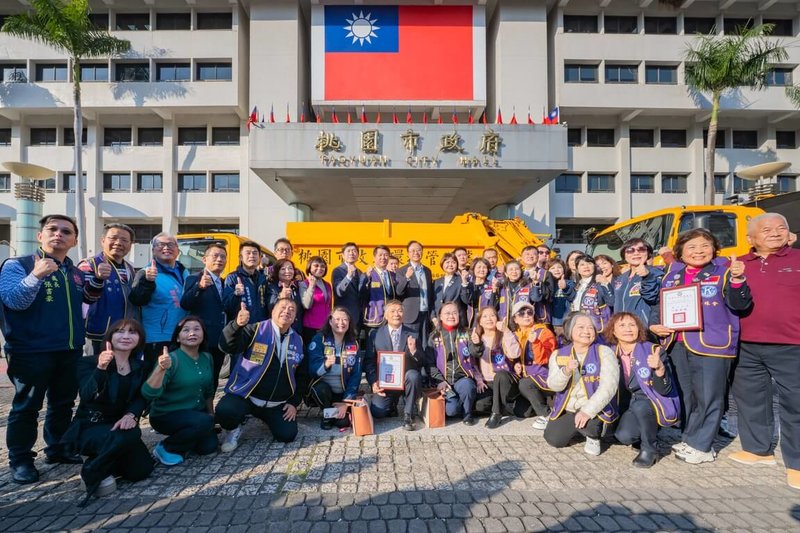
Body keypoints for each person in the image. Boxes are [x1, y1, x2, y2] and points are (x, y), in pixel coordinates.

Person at [1, 215, 105, 484]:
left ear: (74, 240)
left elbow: (88, 300)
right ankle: (21, 459)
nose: (58, 234)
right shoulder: (17, 265)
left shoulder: (74, 271)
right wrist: (36, 276)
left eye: (66, 231)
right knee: (27, 407)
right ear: (40, 236)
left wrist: (97, 282)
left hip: (69, 348)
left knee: (63, 403)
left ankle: (57, 448)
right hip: (30, 350)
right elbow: (14, 301)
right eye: (52, 229)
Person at [649, 228, 752, 464]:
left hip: (711, 343)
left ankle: (703, 445)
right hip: (677, 343)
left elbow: (739, 304)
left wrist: (738, 280)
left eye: (704, 246)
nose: (698, 251)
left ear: (714, 248)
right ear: (681, 252)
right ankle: (690, 436)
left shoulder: (724, 271)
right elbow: (660, 306)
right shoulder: (672, 275)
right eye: (691, 247)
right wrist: (655, 324)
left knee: (709, 395)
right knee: (688, 394)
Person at [729, 213, 800, 489]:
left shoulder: (797, 260)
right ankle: (758, 449)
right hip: (746, 344)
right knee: (751, 399)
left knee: (795, 404)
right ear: (750, 238)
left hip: (791, 344)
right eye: (766, 229)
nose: (774, 233)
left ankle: (796, 463)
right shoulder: (739, 264)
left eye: (781, 227)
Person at [65, 319, 153, 503]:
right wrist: (101, 368)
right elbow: (87, 395)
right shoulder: (88, 362)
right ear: (110, 336)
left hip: (120, 424)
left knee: (141, 470)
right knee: (132, 433)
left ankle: (104, 461)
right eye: (120, 331)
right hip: (91, 425)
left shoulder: (141, 367)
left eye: (133, 332)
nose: (126, 336)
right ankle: (92, 468)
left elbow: (141, 397)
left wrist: (132, 414)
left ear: (140, 339)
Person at [216, 298, 305, 450]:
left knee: (287, 435)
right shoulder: (255, 329)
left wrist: (293, 403)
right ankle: (233, 429)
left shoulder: (298, 340)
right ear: (273, 311)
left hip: (276, 404)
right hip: (247, 396)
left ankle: (267, 419)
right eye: (283, 307)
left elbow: (302, 375)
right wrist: (236, 325)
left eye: (291, 309)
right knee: (225, 410)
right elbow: (227, 346)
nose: (287, 311)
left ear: (295, 317)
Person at [604, 313, 679, 468]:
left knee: (641, 406)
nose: (628, 329)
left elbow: (666, 389)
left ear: (639, 329)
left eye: (632, 325)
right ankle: (644, 432)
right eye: (622, 325)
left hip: (650, 400)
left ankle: (650, 449)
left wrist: (659, 369)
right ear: (613, 331)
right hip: (628, 404)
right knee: (623, 436)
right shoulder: (610, 353)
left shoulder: (653, 350)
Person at [141, 316, 217, 466]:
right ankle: (166, 447)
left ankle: (187, 440)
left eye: (197, 329)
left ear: (203, 334)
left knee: (209, 447)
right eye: (186, 330)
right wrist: (161, 369)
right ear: (177, 337)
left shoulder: (207, 357)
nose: (192, 333)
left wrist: (211, 414)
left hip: (195, 413)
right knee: (203, 423)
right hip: (167, 414)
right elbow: (148, 393)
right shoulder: (171, 359)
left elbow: (209, 390)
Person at [545, 312, 619, 456]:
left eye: (590, 328)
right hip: (570, 407)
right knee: (554, 439)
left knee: (591, 425)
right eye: (581, 327)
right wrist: (565, 371)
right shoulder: (558, 354)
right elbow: (554, 386)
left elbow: (609, 387)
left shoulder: (604, 352)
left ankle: (593, 435)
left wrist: (587, 411)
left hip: (593, 407)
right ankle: (578, 428)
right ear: (570, 331)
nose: (586, 331)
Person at [129, 232, 189, 374]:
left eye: (171, 244)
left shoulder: (184, 271)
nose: (166, 248)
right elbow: (137, 299)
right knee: (157, 379)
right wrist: (147, 282)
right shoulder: (146, 273)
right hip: (157, 339)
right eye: (161, 245)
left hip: (182, 336)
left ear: (178, 250)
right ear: (153, 250)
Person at [363, 300, 424, 431]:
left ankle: (408, 414)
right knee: (378, 412)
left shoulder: (413, 333)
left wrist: (413, 351)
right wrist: (373, 382)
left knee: (413, 375)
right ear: (385, 315)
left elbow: (421, 361)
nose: (397, 314)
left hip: (405, 379)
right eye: (392, 311)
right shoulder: (375, 334)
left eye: (400, 311)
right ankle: (392, 405)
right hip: (385, 382)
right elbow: (369, 361)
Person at [78, 223, 138, 354]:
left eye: (124, 240)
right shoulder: (89, 264)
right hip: (98, 335)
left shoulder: (130, 268)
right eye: (113, 238)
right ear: (103, 240)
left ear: (130, 245)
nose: (118, 243)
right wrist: (98, 278)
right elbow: (83, 298)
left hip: (125, 334)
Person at [180, 243, 229, 385]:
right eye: (215, 256)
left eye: (223, 257)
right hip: (201, 340)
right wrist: (199, 287)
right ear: (204, 260)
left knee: (213, 379)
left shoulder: (224, 282)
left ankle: (209, 407)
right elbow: (185, 303)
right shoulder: (194, 278)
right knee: (198, 378)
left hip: (219, 340)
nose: (219, 259)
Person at [306, 307, 361, 430]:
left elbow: (356, 375)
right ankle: (327, 413)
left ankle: (336, 411)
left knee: (343, 423)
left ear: (349, 323)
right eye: (337, 319)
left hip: (343, 391)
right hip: (324, 390)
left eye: (345, 320)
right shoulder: (320, 339)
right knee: (320, 389)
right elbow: (312, 370)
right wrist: (325, 365)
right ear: (330, 322)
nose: (341, 323)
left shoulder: (353, 344)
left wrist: (346, 402)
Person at [426, 302, 479, 425]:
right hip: (444, 381)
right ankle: (460, 401)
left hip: (462, 377)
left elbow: (475, 353)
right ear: (440, 316)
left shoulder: (467, 333)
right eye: (447, 313)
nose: (451, 316)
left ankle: (468, 413)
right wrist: (440, 380)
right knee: (451, 411)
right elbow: (430, 364)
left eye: (454, 312)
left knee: (467, 386)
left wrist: (477, 344)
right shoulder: (434, 336)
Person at [471, 307, 521, 429]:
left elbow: (515, 353)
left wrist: (507, 331)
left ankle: (496, 413)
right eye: (485, 316)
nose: (489, 319)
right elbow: (473, 363)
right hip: (488, 383)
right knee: (479, 405)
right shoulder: (477, 338)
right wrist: (479, 380)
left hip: (505, 381)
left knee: (500, 375)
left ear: (497, 319)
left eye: (492, 315)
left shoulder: (504, 335)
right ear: (480, 322)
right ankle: (504, 406)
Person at [511, 302, 557, 429]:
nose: (526, 315)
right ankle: (540, 404)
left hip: (544, 378)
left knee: (525, 384)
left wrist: (536, 342)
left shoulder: (544, 332)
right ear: (515, 318)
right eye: (521, 313)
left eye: (529, 312)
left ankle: (547, 415)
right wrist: (516, 363)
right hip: (528, 378)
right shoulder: (516, 334)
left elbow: (546, 359)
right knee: (521, 412)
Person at [611, 239, 662, 329]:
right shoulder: (621, 278)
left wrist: (647, 277)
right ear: (624, 255)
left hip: (642, 328)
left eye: (641, 249)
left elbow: (651, 297)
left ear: (648, 253)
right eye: (630, 250)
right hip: (621, 327)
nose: (636, 253)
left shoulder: (655, 273)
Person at [396, 240, 434, 347]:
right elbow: (399, 291)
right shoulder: (402, 271)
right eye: (412, 251)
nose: (416, 253)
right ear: (408, 253)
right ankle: (411, 364)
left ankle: (423, 363)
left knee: (425, 344)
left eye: (419, 250)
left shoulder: (427, 271)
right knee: (411, 344)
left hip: (425, 313)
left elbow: (430, 293)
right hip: (410, 315)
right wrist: (407, 277)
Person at [222, 241, 268, 324]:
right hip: (241, 328)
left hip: (261, 328)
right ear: (240, 257)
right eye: (248, 253)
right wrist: (235, 294)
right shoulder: (232, 277)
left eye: (255, 253)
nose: (252, 256)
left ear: (259, 257)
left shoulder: (263, 278)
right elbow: (226, 306)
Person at [360, 245, 397, 335]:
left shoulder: (393, 275)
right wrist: (367, 279)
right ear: (374, 257)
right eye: (380, 255)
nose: (383, 258)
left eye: (386, 255)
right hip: (374, 317)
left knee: (388, 348)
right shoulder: (368, 274)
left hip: (391, 319)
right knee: (372, 347)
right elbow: (361, 294)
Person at [571, 255, 613, 333]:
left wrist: (606, 284)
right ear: (577, 269)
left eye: (589, 263)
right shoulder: (576, 286)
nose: (586, 266)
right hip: (579, 327)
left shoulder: (599, 283)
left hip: (598, 328)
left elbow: (611, 301)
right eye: (582, 264)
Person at [299, 256, 333, 346]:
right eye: (316, 266)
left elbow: (329, 306)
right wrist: (311, 286)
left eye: (322, 266)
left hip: (326, 327)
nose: (320, 268)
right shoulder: (303, 284)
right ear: (309, 267)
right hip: (311, 328)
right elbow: (306, 305)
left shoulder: (327, 285)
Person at [332, 242, 365, 334]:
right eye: (349, 251)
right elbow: (338, 291)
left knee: (354, 345)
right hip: (343, 317)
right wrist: (348, 276)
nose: (351, 253)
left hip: (357, 317)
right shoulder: (338, 270)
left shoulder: (359, 272)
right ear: (342, 255)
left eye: (354, 251)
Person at [432, 252, 471, 328]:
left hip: (456, 321)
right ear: (442, 264)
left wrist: (464, 282)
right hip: (439, 321)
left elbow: (466, 300)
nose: (450, 265)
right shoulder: (436, 282)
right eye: (447, 262)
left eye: (453, 262)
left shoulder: (461, 279)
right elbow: (431, 301)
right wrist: (433, 318)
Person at [266, 259, 304, 334]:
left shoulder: (297, 287)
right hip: (278, 329)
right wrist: (281, 297)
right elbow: (270, 307)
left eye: (290, 268)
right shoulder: (271, 287)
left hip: (296, 330)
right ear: (277, 271)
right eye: (283, 269)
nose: (288, 271)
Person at [496, 260, 532, 327]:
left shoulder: (528, 285)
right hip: (505, 324)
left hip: (523, 324)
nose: (514, 272)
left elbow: (535, 299)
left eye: (517, 269)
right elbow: (495, 305)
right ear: (506, 273)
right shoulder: (501, 287)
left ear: (521, 272)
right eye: (511, 269)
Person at [466, 257, 499, 329]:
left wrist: (494, 290)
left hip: (487, 322)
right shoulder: (468, 285)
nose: (481, 270)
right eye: (479, 267)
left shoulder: (492, 284)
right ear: (473, 269)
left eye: (484, 267)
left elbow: (494, 306)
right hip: (471, 321)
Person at [547, 258, 575, 339]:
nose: (556, 270)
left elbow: (571, 296)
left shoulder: (569, 282)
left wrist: (565, 287)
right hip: (550, 320)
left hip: (564, 321)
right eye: (552, 268)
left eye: (559, 267)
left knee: (564, 342)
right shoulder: (548, 284)